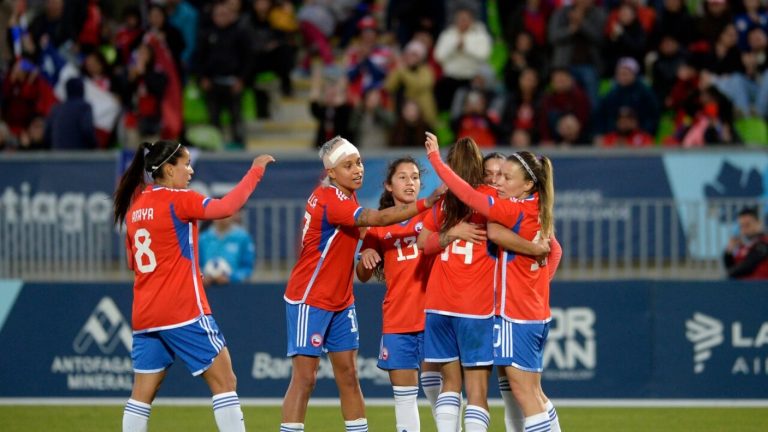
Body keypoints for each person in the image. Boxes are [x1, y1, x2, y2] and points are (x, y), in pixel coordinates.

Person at [280, 136, 442, 432]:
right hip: (310, 298)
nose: (357, 170)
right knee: (305, 379)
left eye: (359, 162)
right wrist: (427, 201)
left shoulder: (346, 196)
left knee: (349, 375)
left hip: (342, 301)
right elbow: (375, 219)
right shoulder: (330, 198)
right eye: (348, 165)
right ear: (331, 172)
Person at [113, 140, 275, 432]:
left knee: (141, 394)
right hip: (182, 309)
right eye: (185, 165)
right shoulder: (179, 199)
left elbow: (133, 262)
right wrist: (255, 171)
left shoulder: (136, 208)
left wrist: (180, 269)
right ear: (168, 169)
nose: (190, 171)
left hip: (145, 313)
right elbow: (227, 207)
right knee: (225, 381)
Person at [424, 133, 563, 432]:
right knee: (532, 392)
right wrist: (537, 275)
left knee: (523, 394)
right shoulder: (537, 207)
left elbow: (472, 201)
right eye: (495, 175)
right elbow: (549, 249)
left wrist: (435, 159)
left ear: (527, 185)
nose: (498, 182)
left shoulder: (512, 208)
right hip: (529, 310)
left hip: (514, 313)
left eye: (506, 177)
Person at [355, 157, 486, 431]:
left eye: (415, 177)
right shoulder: (379, 224)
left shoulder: (432, 215)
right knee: (404, 397)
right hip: (398, 319)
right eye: (402, 177)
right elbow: (362, 275)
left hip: (434, 315)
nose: (410, 183)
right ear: (388, 185)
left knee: (446, 387)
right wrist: (366, 256)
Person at [199, 213, 256, 285]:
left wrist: (231, 278)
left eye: (225, 213)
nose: (221, 217)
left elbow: (247, 268)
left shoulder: (243, 237)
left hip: (234, 288)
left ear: (233, 214)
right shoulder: (203, 238)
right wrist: (202, 277)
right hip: (207, 287)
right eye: (218, 212)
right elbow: (196, 265)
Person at [723, 207, 768, 279]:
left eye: (748, 225)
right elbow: (731, 267)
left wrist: (729, 273)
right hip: (743, 285)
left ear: (759, 223)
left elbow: (748, 267)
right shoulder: (743, 246)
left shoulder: (764, 243)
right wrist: (728, 252)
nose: (744, 229)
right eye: (741, 226)